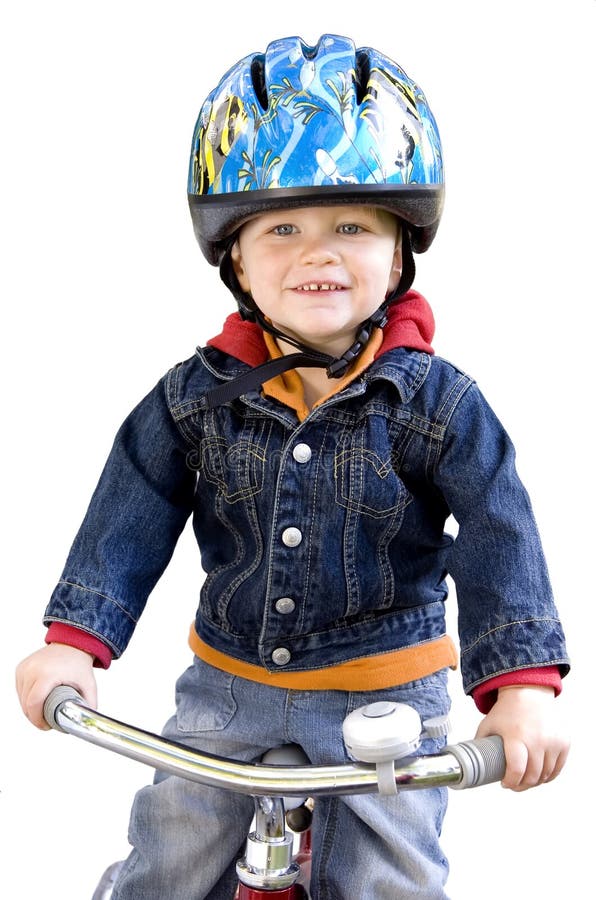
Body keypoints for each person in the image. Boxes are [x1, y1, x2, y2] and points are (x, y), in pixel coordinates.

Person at [16, 33, 570, 899]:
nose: (318, 252)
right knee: (169, 856)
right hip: (228, 692)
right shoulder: (195, 399)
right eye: (283, 228)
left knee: (390, 878)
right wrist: (74, 644)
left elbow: (502, 530)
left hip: (384, 709)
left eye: (352, 225)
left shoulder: (438, 404)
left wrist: (520, 686)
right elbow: (129, 513)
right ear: (235, 256)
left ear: (399, 251)